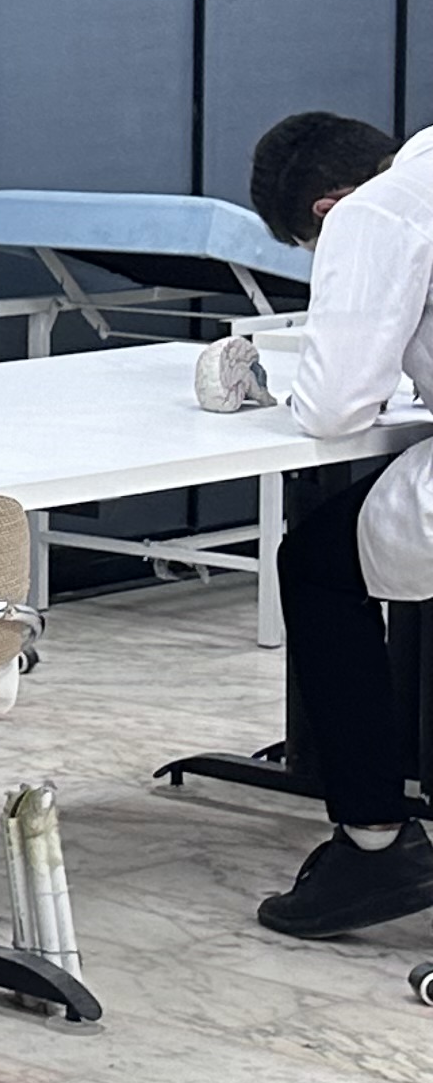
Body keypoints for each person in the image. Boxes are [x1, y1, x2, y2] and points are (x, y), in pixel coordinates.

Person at [228, 110, 433, 936]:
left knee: (314, 564)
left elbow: (337, 406)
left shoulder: (374, 211)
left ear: (324, 210)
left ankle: (375, 842)